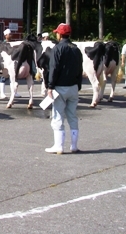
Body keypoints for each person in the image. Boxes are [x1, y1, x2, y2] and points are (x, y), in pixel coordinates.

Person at [45, 23, 83, 154]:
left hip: (60, 87)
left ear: (60, 34)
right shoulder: (76, 49)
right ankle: (74, 146)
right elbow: (80, 68)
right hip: (73, 87)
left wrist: (50, 86)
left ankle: (59, 146)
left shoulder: (57, 48)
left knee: (57, 116)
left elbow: (53, 68)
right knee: (72, 116)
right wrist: (78, 85)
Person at [0, 29, 21, 98]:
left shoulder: (12, 43)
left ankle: (14, 92)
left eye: (11, 34)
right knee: (3, 77)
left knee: (13, 77)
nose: (11, 35)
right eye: (9, 34)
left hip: (12, 62)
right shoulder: (3, 44)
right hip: (4, 63)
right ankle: (2, 93)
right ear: (5, 35)